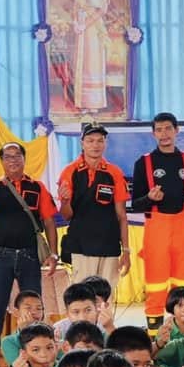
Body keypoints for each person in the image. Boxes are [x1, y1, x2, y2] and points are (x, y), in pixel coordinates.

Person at [123, 112, 184, 332]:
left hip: (183, 230)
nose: (164, 134)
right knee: (156, 286)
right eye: (159, 129)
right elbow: (135, 205)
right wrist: (149, 198)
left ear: (176, 130)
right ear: (153, 133)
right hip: (157, 232)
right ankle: (155, 337)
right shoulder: (144, 163)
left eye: (168, 128)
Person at [0, 141, 58, 367]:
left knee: (34, 306)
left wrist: (53, 253)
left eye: (17, 156)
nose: (13, 160)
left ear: (24, 159)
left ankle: (37, 351)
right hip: (0, 255)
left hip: (29, 256)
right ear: (1, 161)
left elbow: (49, 221)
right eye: (8, 156)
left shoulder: (37, 187)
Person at [56, 123, 128, 287]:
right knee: (83, 295)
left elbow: (122, 216)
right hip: (81, 247)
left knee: (106, 297)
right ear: (82, 143)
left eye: (100, 141)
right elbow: (66, 215)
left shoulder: (114, 172)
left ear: (105, 143)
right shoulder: (70, 171)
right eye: (90, 141)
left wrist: (126, 250)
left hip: (109, 246)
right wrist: (65, 202)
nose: (95, 145)